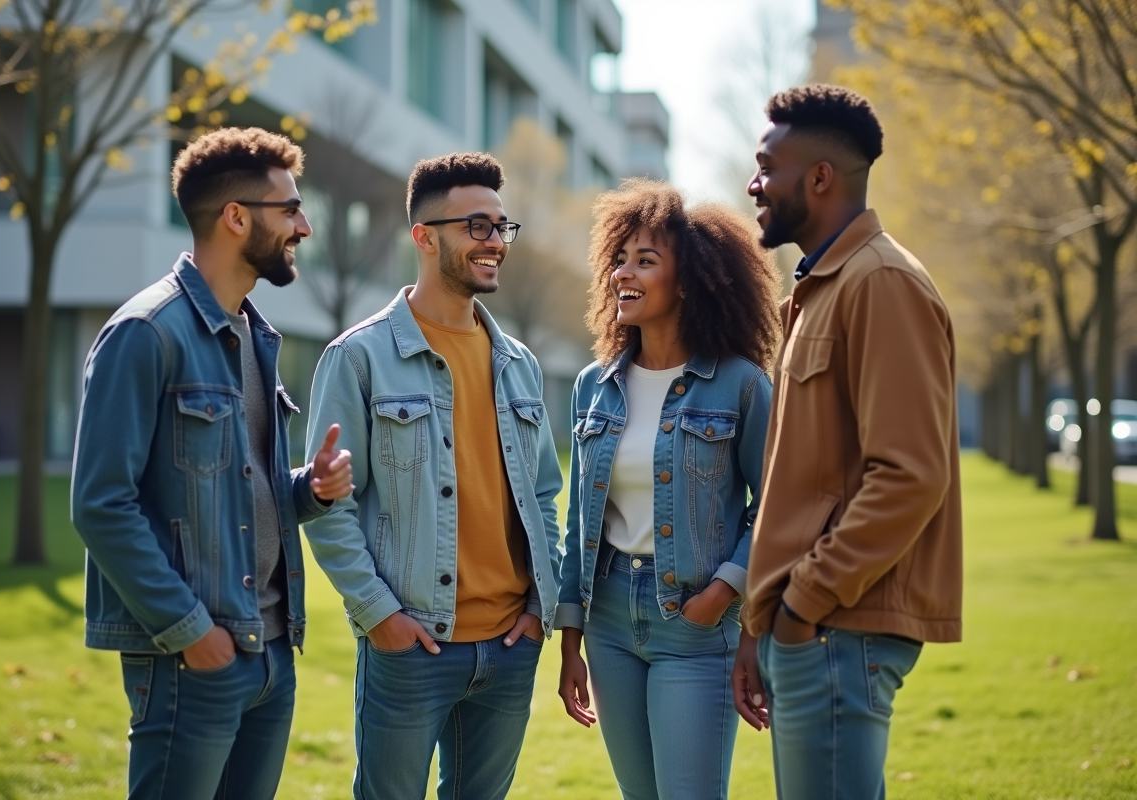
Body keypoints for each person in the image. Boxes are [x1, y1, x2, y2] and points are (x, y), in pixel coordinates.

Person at [70, 127, 354, 800]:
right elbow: (100, 504)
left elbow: (234, 491)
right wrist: (191, 632)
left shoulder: (255, 337)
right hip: (190, 660)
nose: (304, 226)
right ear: (235, 218)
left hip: (270, 653)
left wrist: (309, 491)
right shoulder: (145, 334)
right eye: (289, 209)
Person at [303, 152, 563, 800]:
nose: (496, 242)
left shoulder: (519, 363)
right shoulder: (357, 359)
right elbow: (329, 506)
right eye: (478, 226)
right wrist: (378, 615)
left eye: (503, 227)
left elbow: (544, 493)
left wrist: (540, 605)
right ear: (424, 236)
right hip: (411, 646)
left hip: (510, 645)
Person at [738, 84, 963, 800]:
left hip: (841, 623)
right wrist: (764, 621)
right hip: (815, 625)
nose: (754, 184)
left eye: (765, 166)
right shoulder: (820, 290)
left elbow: (909, 475)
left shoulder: (883, 283)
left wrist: (805, 603)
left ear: (820, 178)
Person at [556, 178, 782, 800]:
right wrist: (571, 639)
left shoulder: (740, 386)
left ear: (688, 282)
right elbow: (580, 519)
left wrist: (725, 589)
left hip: (694, 624)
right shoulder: (591, 387)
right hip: (607, 621)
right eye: (619, 260)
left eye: (645, 261)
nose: (623, 274)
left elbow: (778, 506)